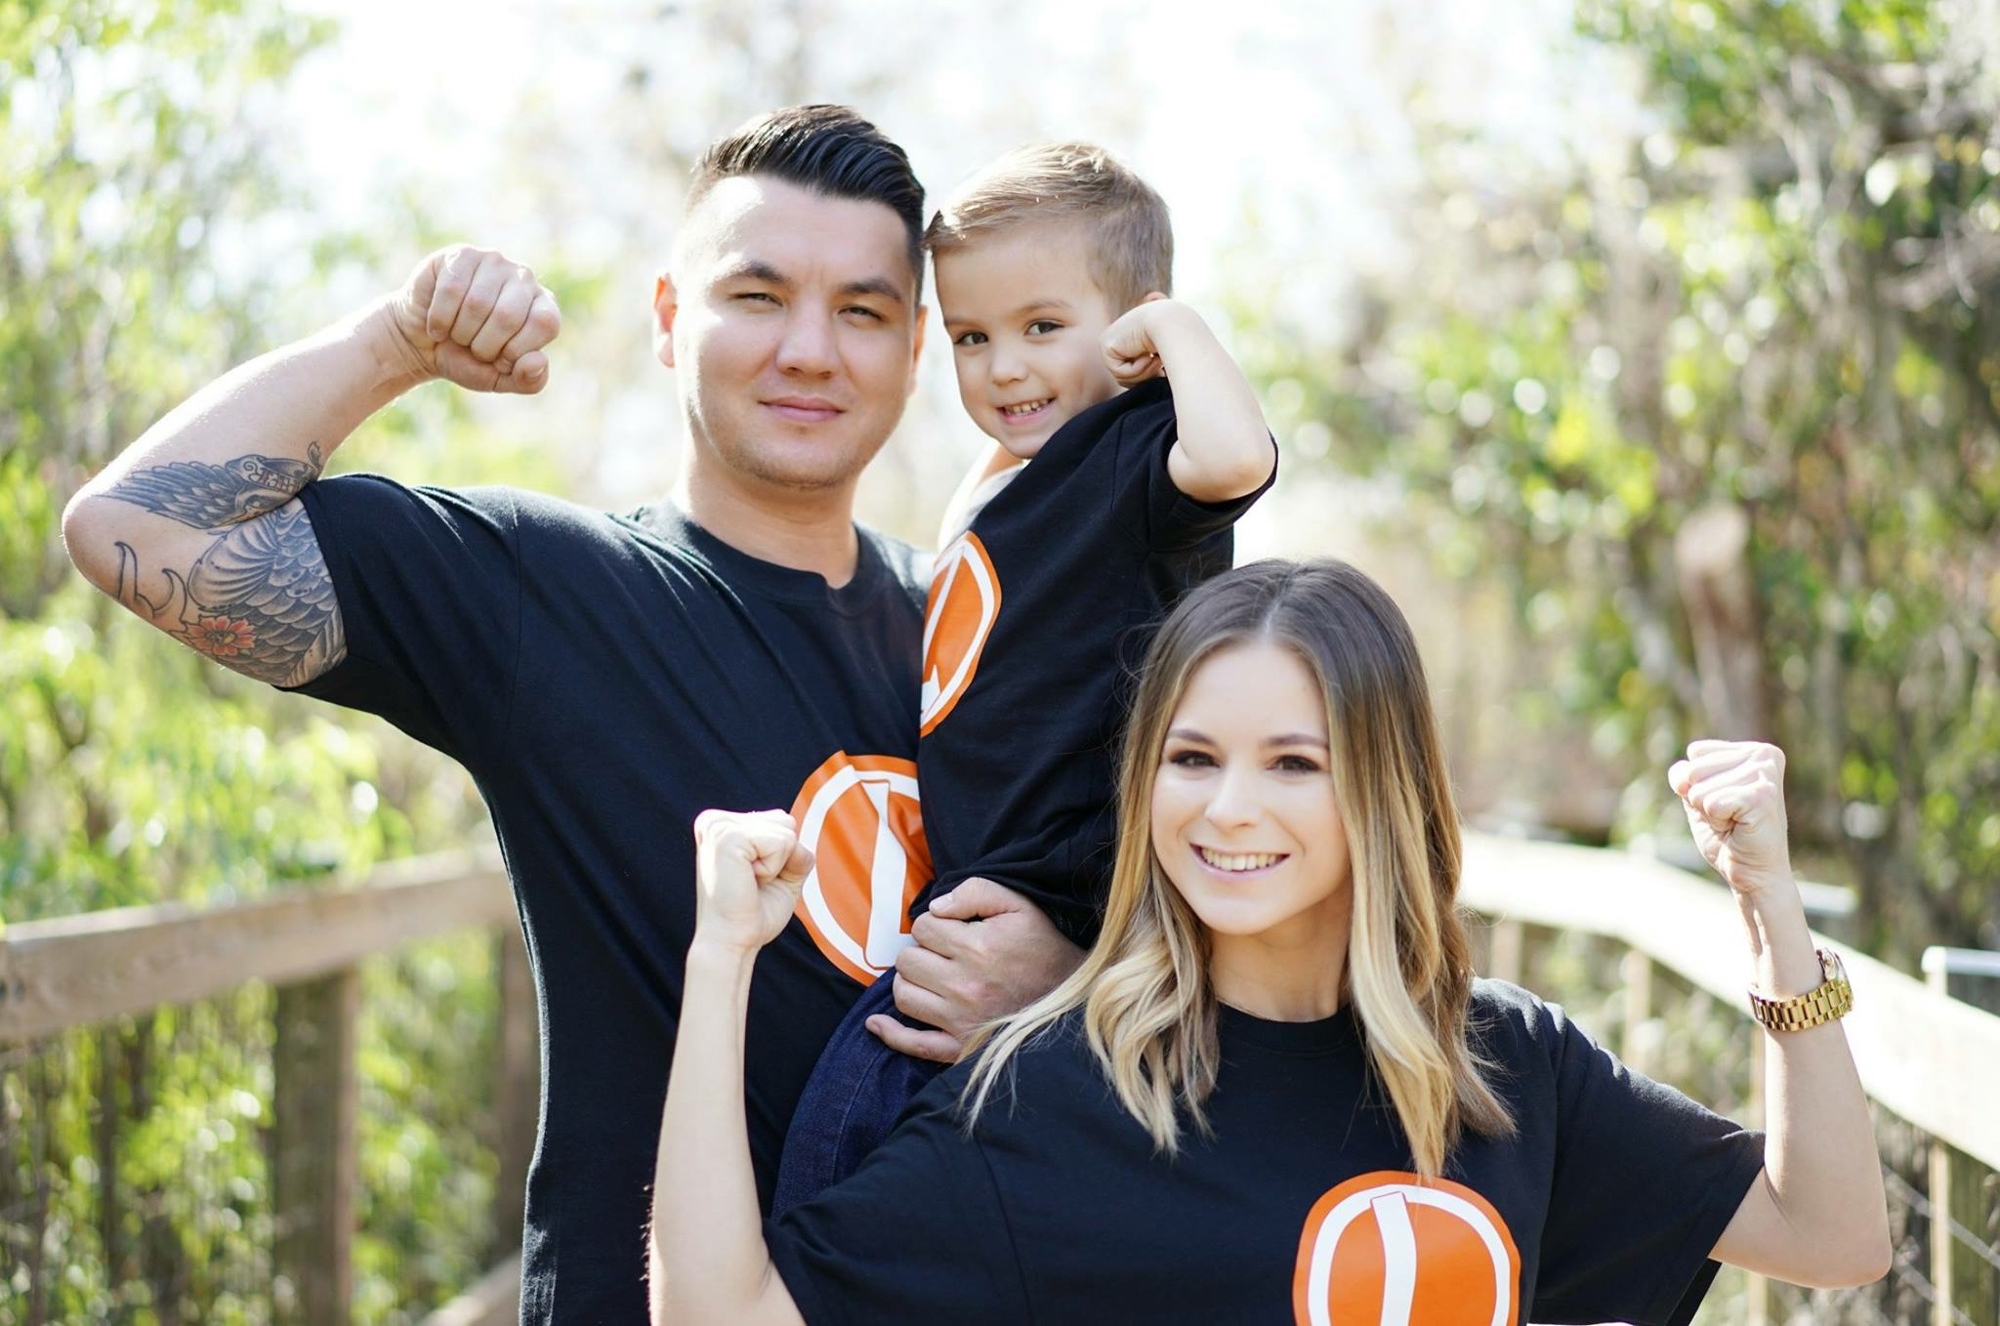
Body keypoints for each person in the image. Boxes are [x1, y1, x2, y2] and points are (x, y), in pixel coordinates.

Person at [60, 105, 1085, 1323]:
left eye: (861, 311)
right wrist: (395, 340)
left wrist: (1066, 977)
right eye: (755, 297)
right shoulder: (541, 590)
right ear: (669, 320)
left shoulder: (981, 632)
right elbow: (134, 530)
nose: (810, 350)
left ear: (914, 349)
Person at [651, 558, 1891, 1325]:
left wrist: (1767, 907)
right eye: (1190, 759)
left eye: (1292, 763)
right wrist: (720, 962)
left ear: (1379, 788)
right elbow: (724, 1316)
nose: (1226, 807)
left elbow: (1830, 1235)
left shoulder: (1501, 1067)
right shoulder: (1052, 1094)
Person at [774, 141, 1277, 1209]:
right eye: (970, 337)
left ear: (1132, 328)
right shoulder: (1030, 478)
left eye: (1042, 328)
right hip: (990, 881)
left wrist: (1172, 332)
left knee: (840, 1144)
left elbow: (1236, 462)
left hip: (1053, 879)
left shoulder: (1138, 453)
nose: (1003, 368)